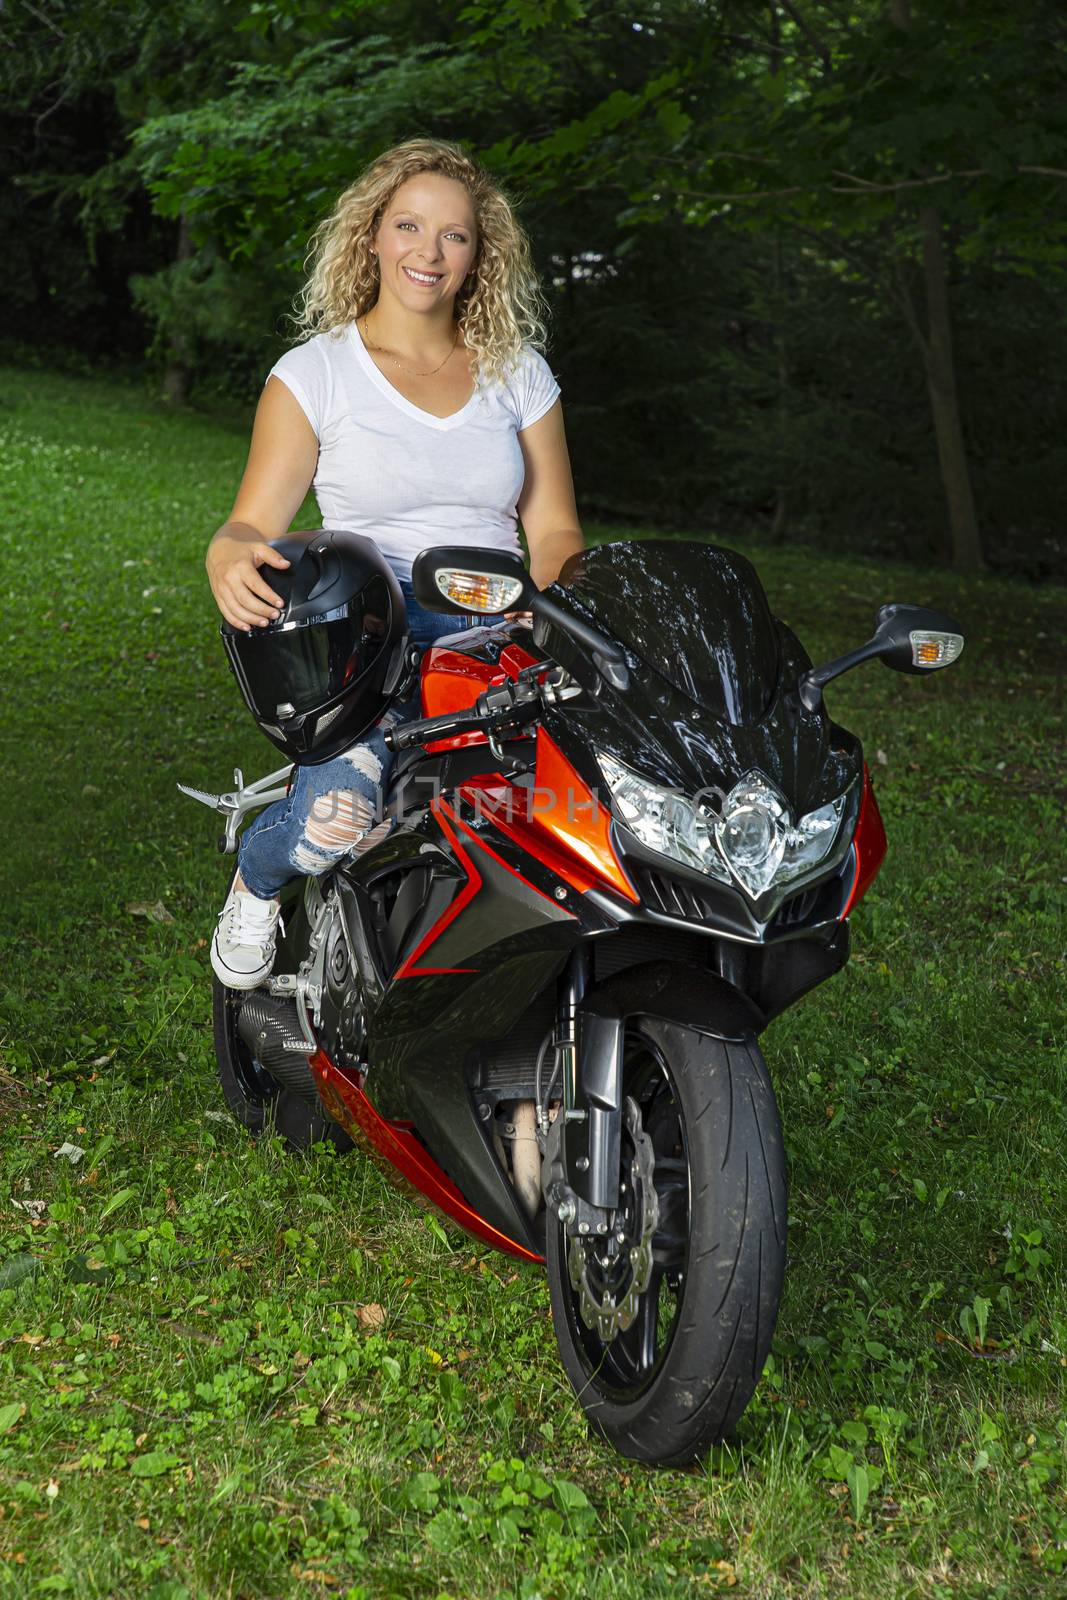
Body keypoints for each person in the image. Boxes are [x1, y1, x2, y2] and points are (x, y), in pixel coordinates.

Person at [204, 136, 585, 988]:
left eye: (454, 235)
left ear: (480, 253)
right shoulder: (316, 376)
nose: (429, 251)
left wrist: (547, 607)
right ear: (371, 236)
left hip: (497, 630)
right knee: (337, 823)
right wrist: (225, 554)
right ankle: (261, 874)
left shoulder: (519, 374)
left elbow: (554, 529)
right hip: (363, 637)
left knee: (535, 823)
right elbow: (249, 524)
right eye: (409, 226)